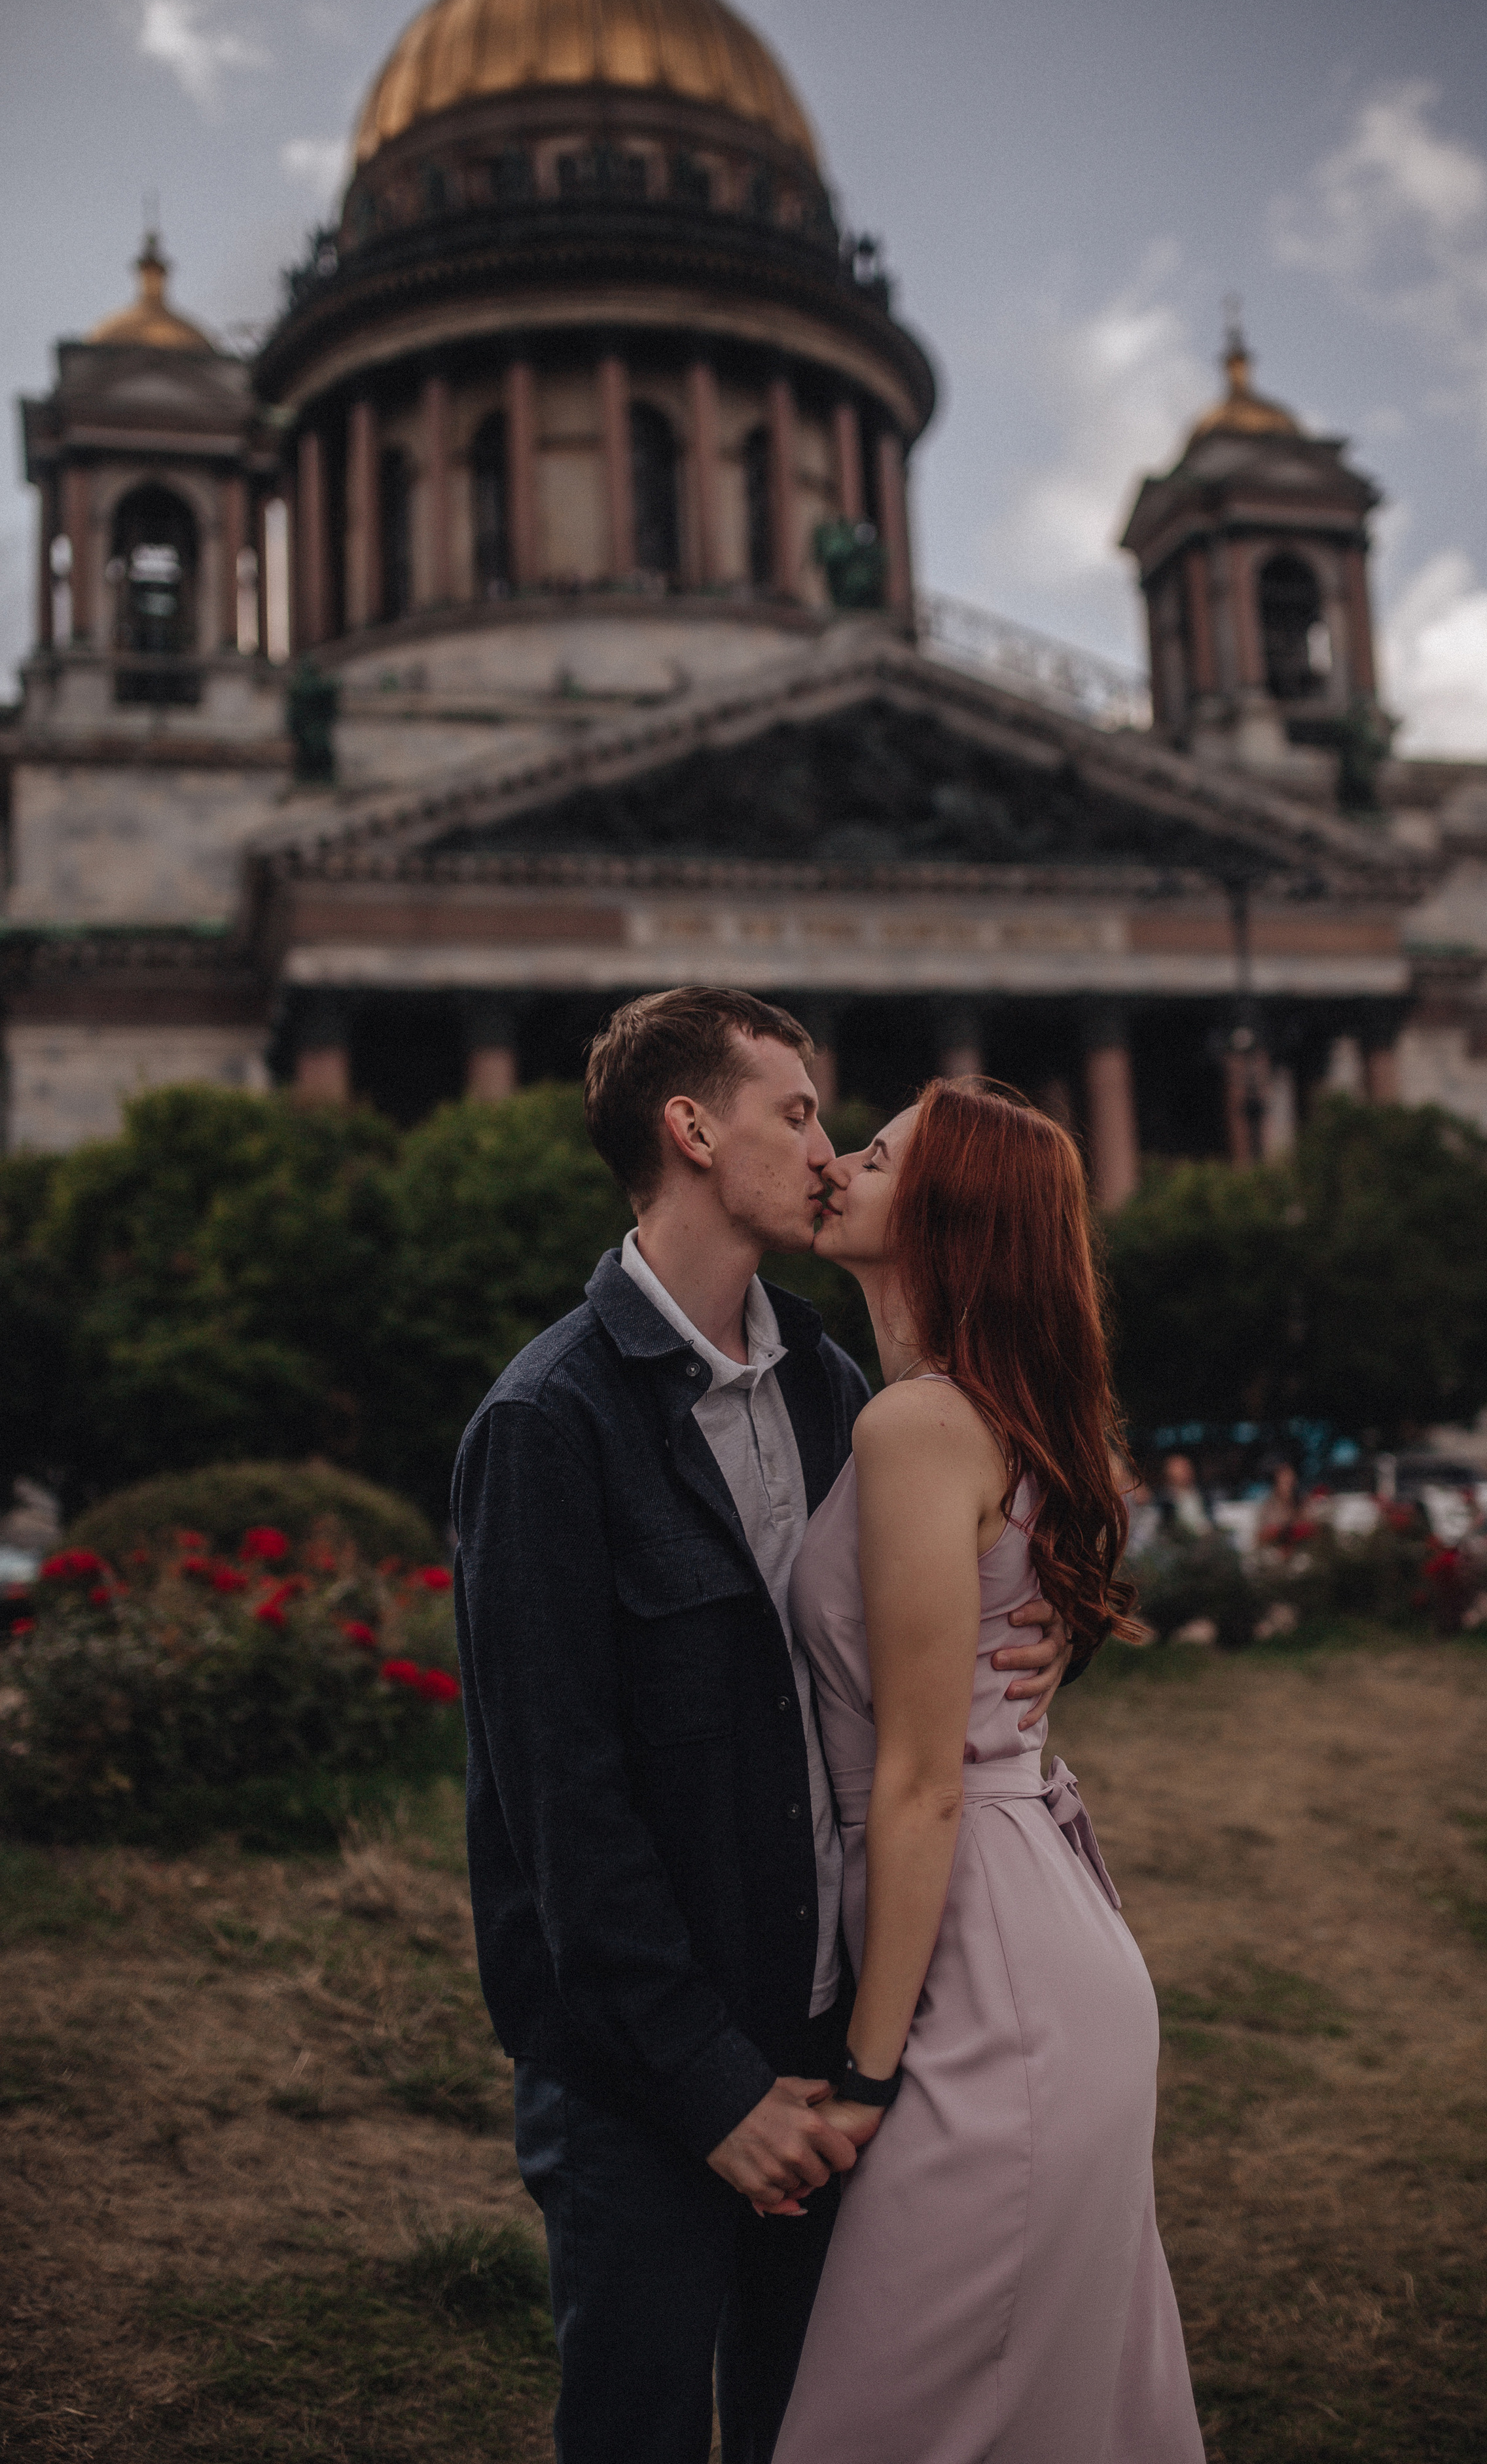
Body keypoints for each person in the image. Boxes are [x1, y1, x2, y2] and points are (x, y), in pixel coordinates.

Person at [450, 990, 1071, 2464]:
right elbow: (561, 1812)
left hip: (822, 2039)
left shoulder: (825, 1379)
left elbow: (898, 1644)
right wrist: (712, 2092)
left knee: (810, 2434)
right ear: (690, 1129)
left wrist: (1053, 1632)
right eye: (795, 1114)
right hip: (645, 2081)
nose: (825, 1150)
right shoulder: (547, 1423)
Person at [773, 1080, 1204, 2464]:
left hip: (986, 1980)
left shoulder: (917, 1427)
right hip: (1034, 1946)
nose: (836, 1165)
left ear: (947, 1214)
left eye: (876, 1154)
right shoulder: (975, 1415)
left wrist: (864, 2074)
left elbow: (922, 1784)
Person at [1156, 1448, 1212, 1537]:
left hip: (1207, 1536)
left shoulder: (1203, 1492)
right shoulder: (1164, 1499)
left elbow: (1211, 1516)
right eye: (1180, 1468)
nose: (1185, 1471)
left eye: (1187, 1467)